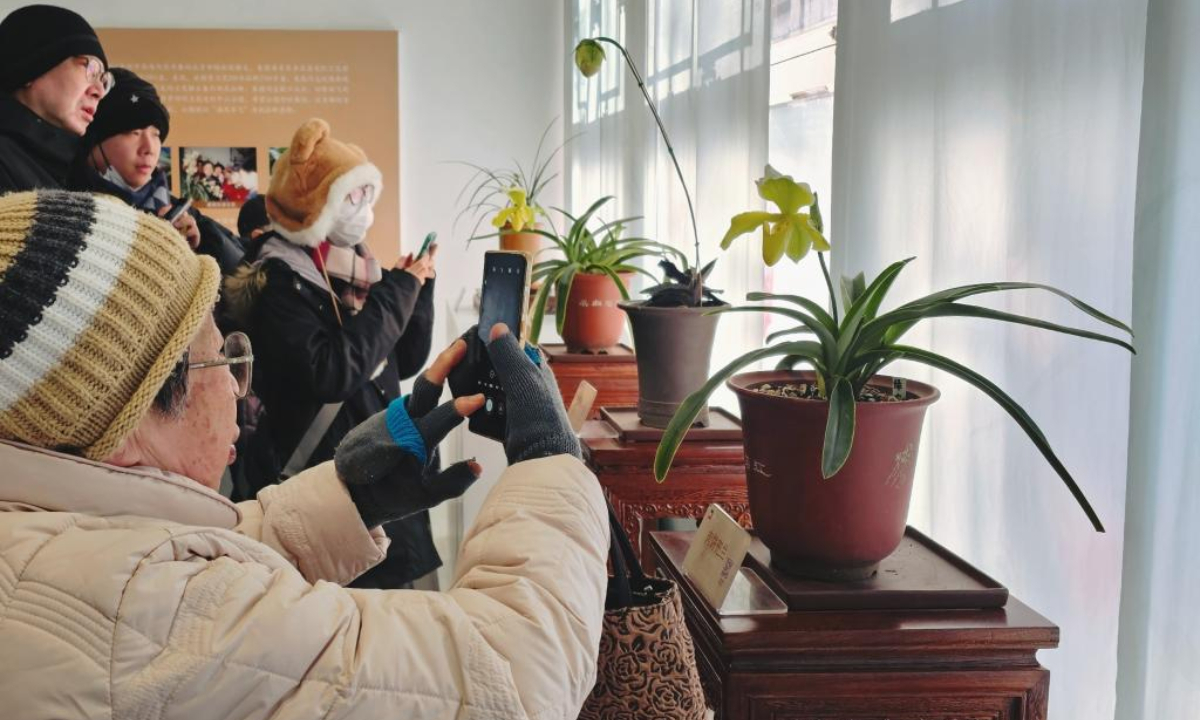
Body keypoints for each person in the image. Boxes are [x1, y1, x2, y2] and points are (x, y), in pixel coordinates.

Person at [0, 189, 606, 717]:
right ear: (127, 411)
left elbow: (192, 581)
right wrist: (550, 457)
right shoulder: (149, 612)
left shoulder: (48, 542)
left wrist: (351, 498)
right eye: (224, 357)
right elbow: (514, 681)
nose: (243, 388)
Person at [225, 118, 439, 588]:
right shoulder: (279, 279)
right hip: (324, 490)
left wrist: (417, 290)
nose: (364, 210)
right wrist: (398, 291)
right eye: (352, 196)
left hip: (375, 476)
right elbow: (334, 371)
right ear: (314, 204)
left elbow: (403, 361)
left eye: (367, 196)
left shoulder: (352, 265)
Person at [70, 67, 245, 274]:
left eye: (156, 134)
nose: (149, 148)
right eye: (133, 132)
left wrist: (201, 248)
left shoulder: (179, 210)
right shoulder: (69, 207)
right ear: (95, 140)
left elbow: (242, 270)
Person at [0, 4, 111, 192]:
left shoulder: (70, 172)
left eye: (104, 79)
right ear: (32, 67)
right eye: (89, 68)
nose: (99, 91)